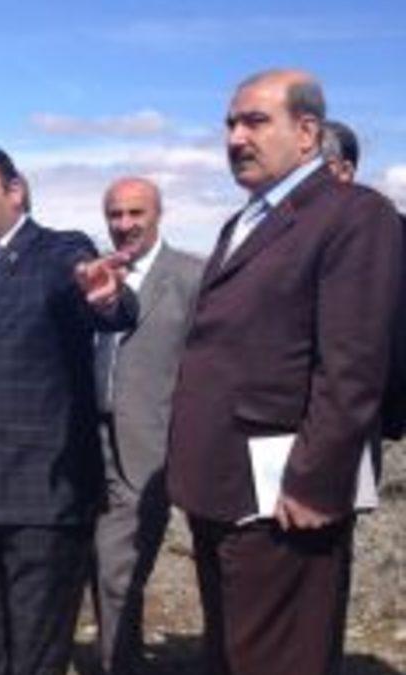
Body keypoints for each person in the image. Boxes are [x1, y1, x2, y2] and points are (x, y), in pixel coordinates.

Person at [166, 69, 401, 675]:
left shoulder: (354, 215)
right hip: (224, 487)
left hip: (284, 496)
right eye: (230, 124)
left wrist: (315, 482)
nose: (235, 138)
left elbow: (353, 367)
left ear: (306, 132)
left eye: (255, 121)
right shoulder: (246, 220)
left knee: (279, 656)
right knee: (233, 651)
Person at [0, 143, 136, 675]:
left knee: (37, 654)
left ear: (15, 192)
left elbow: (98, 295)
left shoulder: (57, 254)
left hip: (45, 497)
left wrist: (106, 296)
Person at [89, 178, 203, 675]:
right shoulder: (93, 273)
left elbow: (206, 367)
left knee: (119, 570)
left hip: (147, 446)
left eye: (136, 213)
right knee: (97, 567)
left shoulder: (191, 277)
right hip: (86, 442)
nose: (124, 224)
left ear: (159, 214)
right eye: (115, 214)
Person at [321, 119, 406, 442]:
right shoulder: (268, 236)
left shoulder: (393, 234)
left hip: (361, 423)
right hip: (279, 426)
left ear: (344, 170)